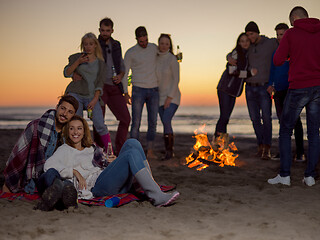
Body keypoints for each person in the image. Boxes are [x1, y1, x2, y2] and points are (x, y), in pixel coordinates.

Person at [40, 115, 180, 209]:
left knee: (133, 143)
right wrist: (74, 172)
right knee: (130, 153)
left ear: (84, 131)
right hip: (97, 188)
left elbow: (104, 166)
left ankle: (148, 186)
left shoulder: (91, 148)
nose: (75, 132)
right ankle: (156, 196)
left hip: (107, 179)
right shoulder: (64, 149)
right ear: (67, 131)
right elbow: (48, 166)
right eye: (71, 128)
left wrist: (113, 162)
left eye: (79, 128)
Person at [268, 6, 320, 187]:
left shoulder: (291, 33)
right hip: (318, 87)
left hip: (298, 87)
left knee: (285, 129)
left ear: (294, 19)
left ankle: (285, 175)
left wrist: (290, 54)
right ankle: (310, 176)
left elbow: (277, 60)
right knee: (314, 133)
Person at [2, 95, 79, 193]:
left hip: (59, 175)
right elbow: (19, 154)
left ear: (73, 115)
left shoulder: (70, 134)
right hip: (37, 178)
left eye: (70, 112)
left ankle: (63, 190)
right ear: (57, 107)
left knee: (62, 180)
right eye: (63, 108)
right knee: (51, 173)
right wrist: (8, 183)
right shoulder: (36, 126)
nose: (64, 114)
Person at [229, 21, 278, 160]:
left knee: (267, 119)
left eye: (251, 34)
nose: (249, 37)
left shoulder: (270, 43)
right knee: (255, 119)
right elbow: (234, 52)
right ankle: (260, 147)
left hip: (264, 88)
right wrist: (228, 57)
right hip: (249, 88)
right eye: (247, 34)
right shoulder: (248, 47)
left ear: (257, 32)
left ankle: (267, 149)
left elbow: (283, 45)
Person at [63, 32, 113, 153]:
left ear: (95, 45)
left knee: (100, 125)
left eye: (91, 44)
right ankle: (71, 150)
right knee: (75, 124)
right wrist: (78, 62)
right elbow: (66, 73)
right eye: (85, 44)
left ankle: (109, 152)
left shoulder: (101, 63)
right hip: (76, 94)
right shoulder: (75, 57)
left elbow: (100, 83)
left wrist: (95, 99)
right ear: (82, 45)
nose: (88, 47)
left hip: (92, 97)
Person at [91, 18, 131, 156]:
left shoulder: (116, 45)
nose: (105, 33)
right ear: (99, 30)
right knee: (98, 121)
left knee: (126, 118)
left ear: (112, 30)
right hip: (100, 88)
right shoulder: (94, 44)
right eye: (102, 30)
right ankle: (100, 151)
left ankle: (119, 150)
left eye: (108, 30)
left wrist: (120, 76)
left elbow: (122, 66)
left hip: (114, 87)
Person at [266, 23, 305, 162]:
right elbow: (272, 70)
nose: (279, 37)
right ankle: (283, 152)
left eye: (281, 34)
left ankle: (300, 153)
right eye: (277, 35)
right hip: (278, 91)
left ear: (288, 34)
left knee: (296, 122)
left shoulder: (294, 50)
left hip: (292, 90)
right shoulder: (276, 52)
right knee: (282, 122)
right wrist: (270, 84)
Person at [123, 26, 159, 158]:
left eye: (146, 40)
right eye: (141, 41)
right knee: (136, 122)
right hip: (138, 89)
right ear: (136, 39)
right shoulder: (130, 52)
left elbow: (165, 58)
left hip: (155, 90)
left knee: (153, 122)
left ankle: (150, 151)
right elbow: (125, 74)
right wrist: (125, 92)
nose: (144, 43)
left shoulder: (154, 48)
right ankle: (134, 151)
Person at [215, 33, 257, 146]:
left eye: (247, 41)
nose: (245, 43)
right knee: (224, 117)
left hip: (233, 91)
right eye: (242, 41)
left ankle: (221, 143)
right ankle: (218, 143)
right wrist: (249, 73)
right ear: (239, 43)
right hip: (225, 88)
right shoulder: (236, 53)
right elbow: (232, 71)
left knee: (226, 117)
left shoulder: (246, 53)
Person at [156, 34, 181, 160]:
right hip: (159, 97)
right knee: (166, 123)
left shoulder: (172, 59)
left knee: (166, 120)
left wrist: (169, 98)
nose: (164, 46)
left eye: (167, 43)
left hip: (173, 96)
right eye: (162, 43)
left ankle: (169, 152)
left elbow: (176, 79)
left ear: (170, 45)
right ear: (158, 44)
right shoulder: (155, 58)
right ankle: (169, 150)